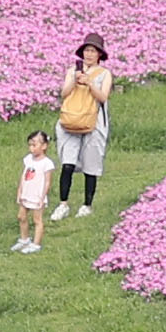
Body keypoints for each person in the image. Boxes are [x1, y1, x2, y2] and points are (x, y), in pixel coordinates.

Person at [51, 36, 115, 221]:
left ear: (99, 54)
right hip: (71, 120)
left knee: (91, 165)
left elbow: (103, 97)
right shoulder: (72, 70)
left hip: (93, 123)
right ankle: (63, 204)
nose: (89, 54)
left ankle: (87, 205)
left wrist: (89, 83)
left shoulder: (105, 73)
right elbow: (64, 93)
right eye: (87, 50)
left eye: (93, 51)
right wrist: (74, 80)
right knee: (67, 164)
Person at [13, 128, 55, 254]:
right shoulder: (28, 159)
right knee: (21, 216)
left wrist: (43, 197)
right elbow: (23, 176)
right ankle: (24, 238)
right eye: (30, 144)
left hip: (37, 195)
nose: (32, 148)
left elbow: (47, 181)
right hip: (26, 193)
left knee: (37, 220)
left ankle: (36, 243)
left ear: (44, 146)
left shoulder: (47, 163)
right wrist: (19, 191)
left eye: (34, 145)